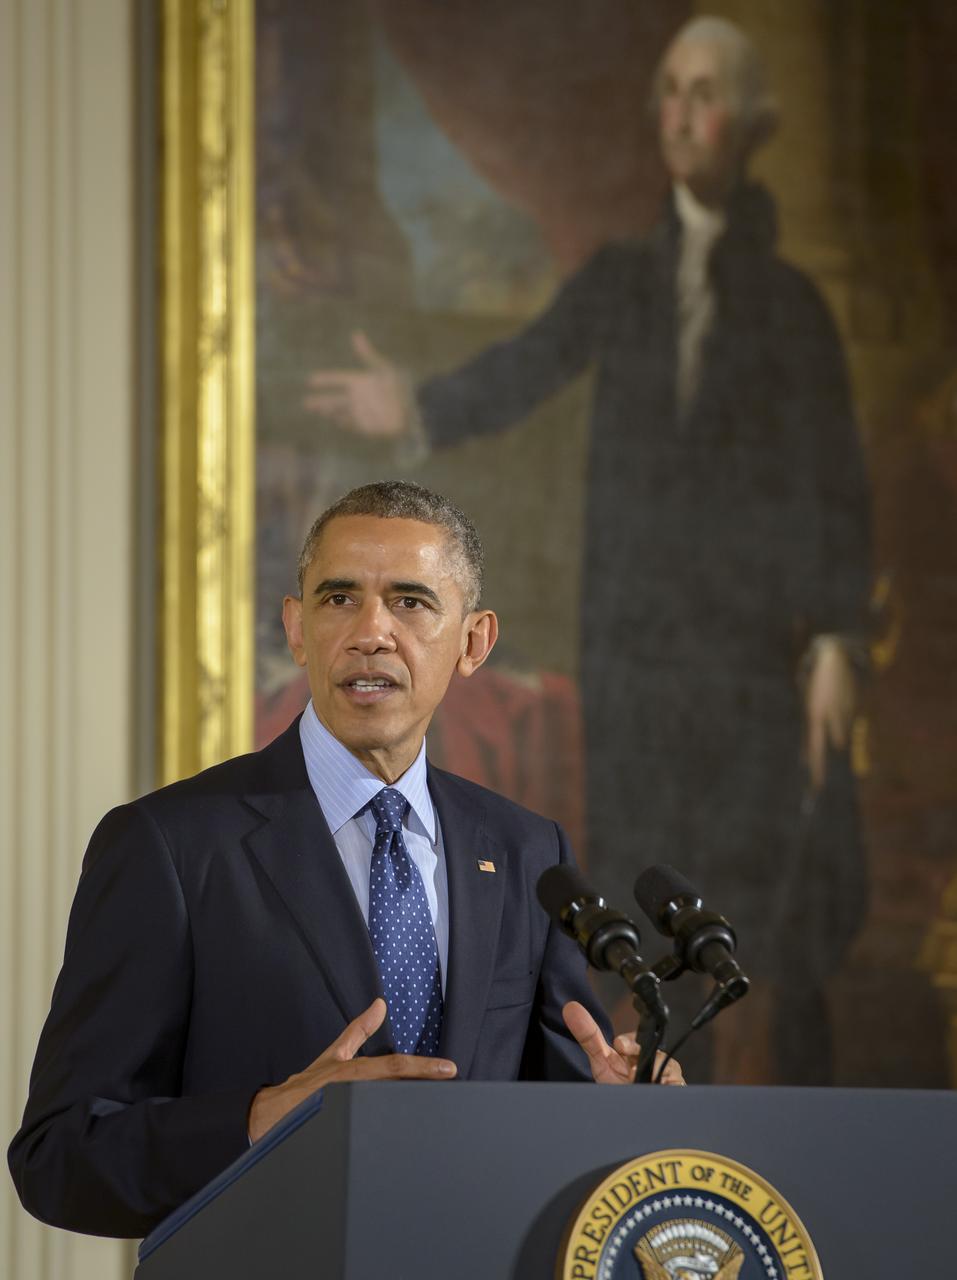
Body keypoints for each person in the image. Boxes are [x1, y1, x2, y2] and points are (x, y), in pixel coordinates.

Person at [305, 17, 872, 1082]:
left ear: (752, 124)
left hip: (748, 662)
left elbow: (835, 482)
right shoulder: (623, 277)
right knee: (637, 866)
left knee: (745, 894)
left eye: (704, 93)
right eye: (667, 90)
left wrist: (838, 633)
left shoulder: (793, 308)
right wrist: (414, 403)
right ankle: (628, 1098)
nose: (679, 114)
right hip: (637, 650)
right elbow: (528, 364)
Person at [8, 480, 681, 1240]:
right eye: (337, 600)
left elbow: (552, 1102)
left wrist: (619, 1110)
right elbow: (58, 1157)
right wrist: (262, 1119)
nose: (371, 632)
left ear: (473, 642)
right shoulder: (170, 845)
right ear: (296, 629)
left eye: (410, 602)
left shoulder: (526, 852)